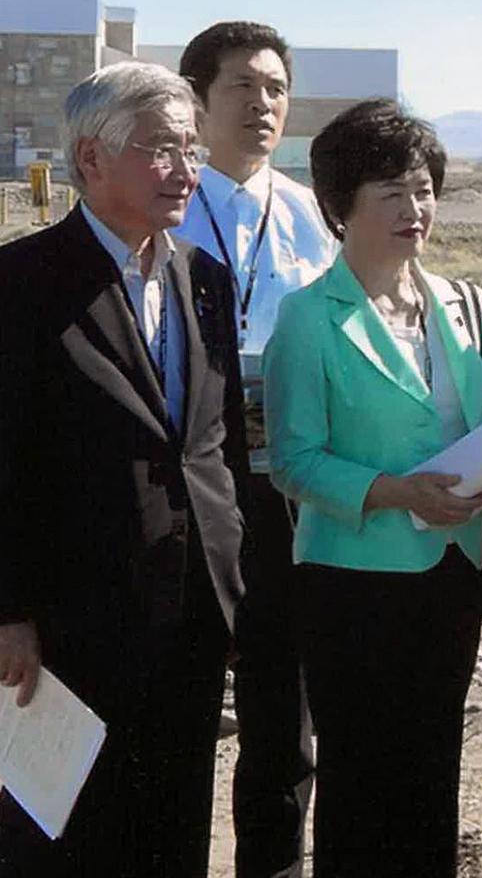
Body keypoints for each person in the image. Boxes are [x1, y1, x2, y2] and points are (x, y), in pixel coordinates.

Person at [263, 99, 482, 877]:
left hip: (453, 573)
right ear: (340, 209)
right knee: (359, 781)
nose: (416, 210)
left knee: (432, 768)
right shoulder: (309, 319)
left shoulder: (466, 305)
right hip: (352, 582)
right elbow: (294, 460)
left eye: (423, 189)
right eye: (392, 194)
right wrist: (397, 492)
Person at [0, 63, 249, 876]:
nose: (185, 170)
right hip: (74, 621)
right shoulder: (24, 284)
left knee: (175, 823)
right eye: (161, 149)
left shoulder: (203, 280)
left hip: (190, 610)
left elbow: (214, 450)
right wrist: (9, 611)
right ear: (89, 158)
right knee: (67, 835)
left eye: (192, 149)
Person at [175, 20, 334, 878]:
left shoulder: (310, 214)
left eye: (276, 88)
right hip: (187, 490)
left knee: (284, 706)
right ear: (198, 101)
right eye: (242, 86)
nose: (263, 104)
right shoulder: (162, 209)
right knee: (182, 692)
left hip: (286, 489)